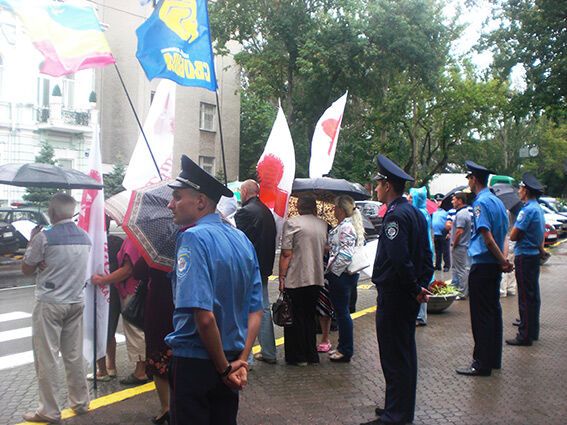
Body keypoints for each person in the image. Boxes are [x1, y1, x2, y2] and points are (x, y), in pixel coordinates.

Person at [165, 155, 262, 425]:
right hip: (231, 360)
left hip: (197, 363)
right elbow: (256, 311)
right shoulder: (240, 238)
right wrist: (240, 363)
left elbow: (204, 317)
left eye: (177, 196)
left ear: (200, 201)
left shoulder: (193, 238)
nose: (170, 204)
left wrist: (223, 370)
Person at [362, 155, 433, 425]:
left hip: (395, 295)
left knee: (394, 355)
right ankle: (397, 407)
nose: (376, 189)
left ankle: (396, 415)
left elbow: (399, 258)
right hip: (406, 295)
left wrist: (415, 288)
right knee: (403, 353)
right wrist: (421, 286)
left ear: (388, 185)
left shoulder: (395, 216)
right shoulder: (415, 213)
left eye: (378, 184)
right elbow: (427, 255)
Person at [21, 193, 91, 423]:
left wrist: (33, 242)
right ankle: (80, 402)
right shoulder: (85, 237)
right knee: (73, 355)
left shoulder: (44, 237)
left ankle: (49, 410)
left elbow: (26, 269)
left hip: (50, 303)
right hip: (75, 301)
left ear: (52, 212)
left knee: (47, 357)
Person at [456, 161, 513, 377]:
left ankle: (481, 363)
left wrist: (501, 260)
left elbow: (487, 237)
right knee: (493, 312)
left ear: (474, 179)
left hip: (483, 265)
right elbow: (505, 234)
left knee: (480, 316)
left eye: (469, 179)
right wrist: (504, 261)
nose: (468, 183)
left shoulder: (480, 203)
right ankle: (493, 358)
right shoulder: (497, 202)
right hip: (494, 267)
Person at [279, 195, 328, 366]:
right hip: (316, 277)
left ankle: (297, 356)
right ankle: (311, 354)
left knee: (295, 317)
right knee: (309, 316)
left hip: (296, 277)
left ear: (299, 207)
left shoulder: (293, 223)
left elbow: (286, 254)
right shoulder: (322, 224)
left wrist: (281, 277)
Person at [92, 237, 148, 386]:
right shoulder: (142, 240)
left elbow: (127, 270)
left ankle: (140, 371)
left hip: (131, 290)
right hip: (139, 289)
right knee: (140, 329)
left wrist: (103, 280)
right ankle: (143, 367)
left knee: (135, 330)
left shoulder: (132, 242)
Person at [234, 179, 277, 365]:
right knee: (263, 309)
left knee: (245, 311)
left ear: (244, 191)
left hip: (248, 269)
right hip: (264, 267)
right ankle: (269, 352)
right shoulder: (267, 211)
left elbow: (240, 243)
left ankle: (247, 358)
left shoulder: (244, 212)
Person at [506, 172, 547, 346]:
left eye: (521, 188)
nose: (519, 191)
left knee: (525, 296)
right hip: (533, 256)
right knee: (532, 295)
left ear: (526, 191)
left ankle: (524, 335)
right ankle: (532, 329)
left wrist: (513, 229)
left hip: (524, 256)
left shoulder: (527, 210)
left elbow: (514, 235)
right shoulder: (538, 208)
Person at [133, 257, 174, 424]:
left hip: (159, 307)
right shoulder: (194, 242)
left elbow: (138, 271)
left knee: (158, 355)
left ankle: (166, 408)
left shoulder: (158, 247)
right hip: (184, 306)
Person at [326, 195, 365, 363]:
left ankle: (345, 349)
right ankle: (343, 347)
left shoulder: (346, 227)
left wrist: (333, 271)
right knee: (342, 313)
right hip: (343, 275)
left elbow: (346, 254)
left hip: (341, 276)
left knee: (342, 313)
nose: (333, 210)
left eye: (335, 207)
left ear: (341, 209)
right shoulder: (345, 226)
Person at [88, 216, 123, 381]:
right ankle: (112, 367)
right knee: (110, 329)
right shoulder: (117, 241)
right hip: (114, 290)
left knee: (97, 329)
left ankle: (101, 370)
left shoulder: (90, 243)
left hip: (95, 289)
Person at [409, 187, 434, 327]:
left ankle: (420, 316)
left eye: (412, 198)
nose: (410, 200)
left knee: (421, 285)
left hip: (422, 252)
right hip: (426, 250)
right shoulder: (424, 212)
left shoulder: (420, 213)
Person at [450, 192, 472, 299]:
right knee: (458, 268)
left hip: (460, 246)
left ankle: (463, 293)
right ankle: (459, 289)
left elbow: (459, 231)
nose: (452, 202)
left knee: (461, 269)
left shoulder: (461, 214)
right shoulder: (463, 213)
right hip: (461, 246)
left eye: (454, 199)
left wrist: (454, 244)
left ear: (460, 201)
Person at [432, 194, 450, 271]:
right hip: (436, 233)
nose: (439, 203)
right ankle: (438, 265)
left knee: (445, 251)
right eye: (437, 201)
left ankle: (446, 265)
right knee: (437, 251)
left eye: (440, 201)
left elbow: (449, 222)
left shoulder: (446, 211)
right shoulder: (434, 211)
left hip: (444, 233)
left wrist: (449, 232)